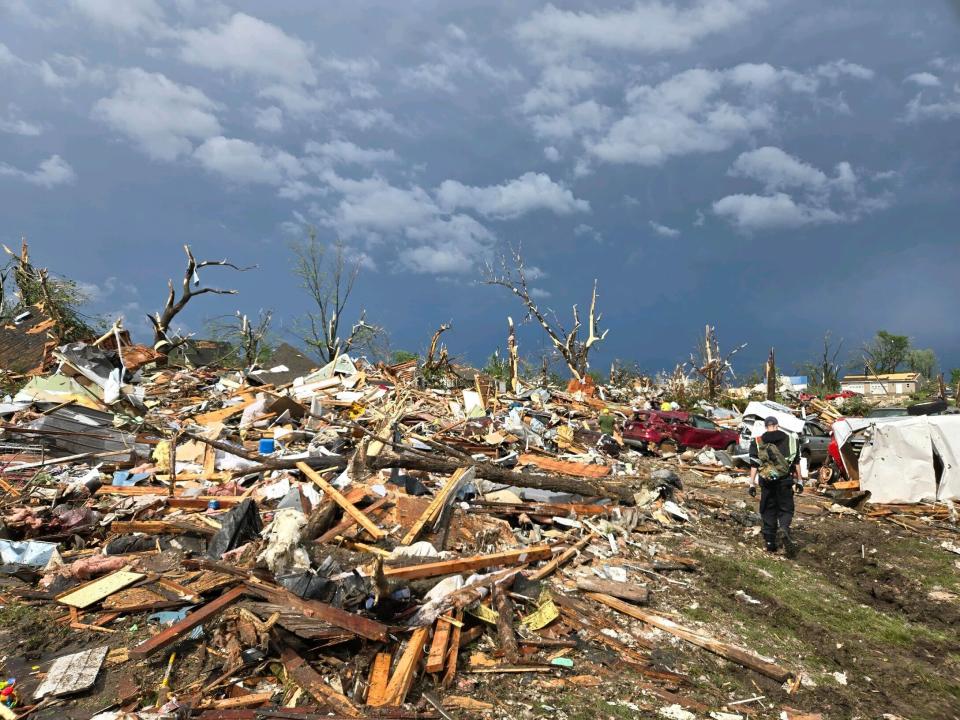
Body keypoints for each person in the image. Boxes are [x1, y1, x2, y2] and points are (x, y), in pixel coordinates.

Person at [748, 416, 803, 556]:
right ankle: (784, 528)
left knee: (767, 510)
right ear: (777, 426)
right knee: (786, 508)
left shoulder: (757, 440)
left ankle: (770, 543)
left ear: (766, 426)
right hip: (785, 481)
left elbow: (754, 464)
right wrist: (800, 481)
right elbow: (796, 462)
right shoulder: (791, 440)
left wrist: (752, 484)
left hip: (767, 481)